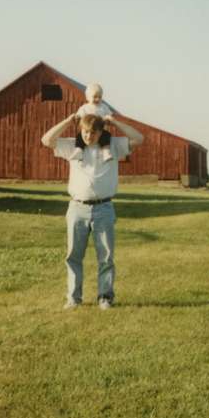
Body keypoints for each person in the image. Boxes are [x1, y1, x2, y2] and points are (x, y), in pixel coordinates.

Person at [41, 111, 144, 310]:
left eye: (94, 133)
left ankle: (105, 297)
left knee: (105, 256)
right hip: (77, 208)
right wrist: (68, 120)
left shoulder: (113, 145)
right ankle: (73, 298)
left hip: (104, 208)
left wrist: (114, 121)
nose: (89, 136)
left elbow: (138, 139)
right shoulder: (72, 146)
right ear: (81, 131)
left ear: (101, 132)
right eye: (86, 132)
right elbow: (46, 140)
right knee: (73, 256)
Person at [73, 83, 114, 161]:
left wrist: (107, 119)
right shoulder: (85, 108)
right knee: (79, 137)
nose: (97, 99)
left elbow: (109, 116)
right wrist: (78, 117)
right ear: (87, 97)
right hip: (88, 129)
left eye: (100, 97)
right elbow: (79, 116)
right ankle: (79, 150)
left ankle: (106, 151)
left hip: (99, 130)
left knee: (106, 135)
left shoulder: (104, 107)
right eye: (95, 96)